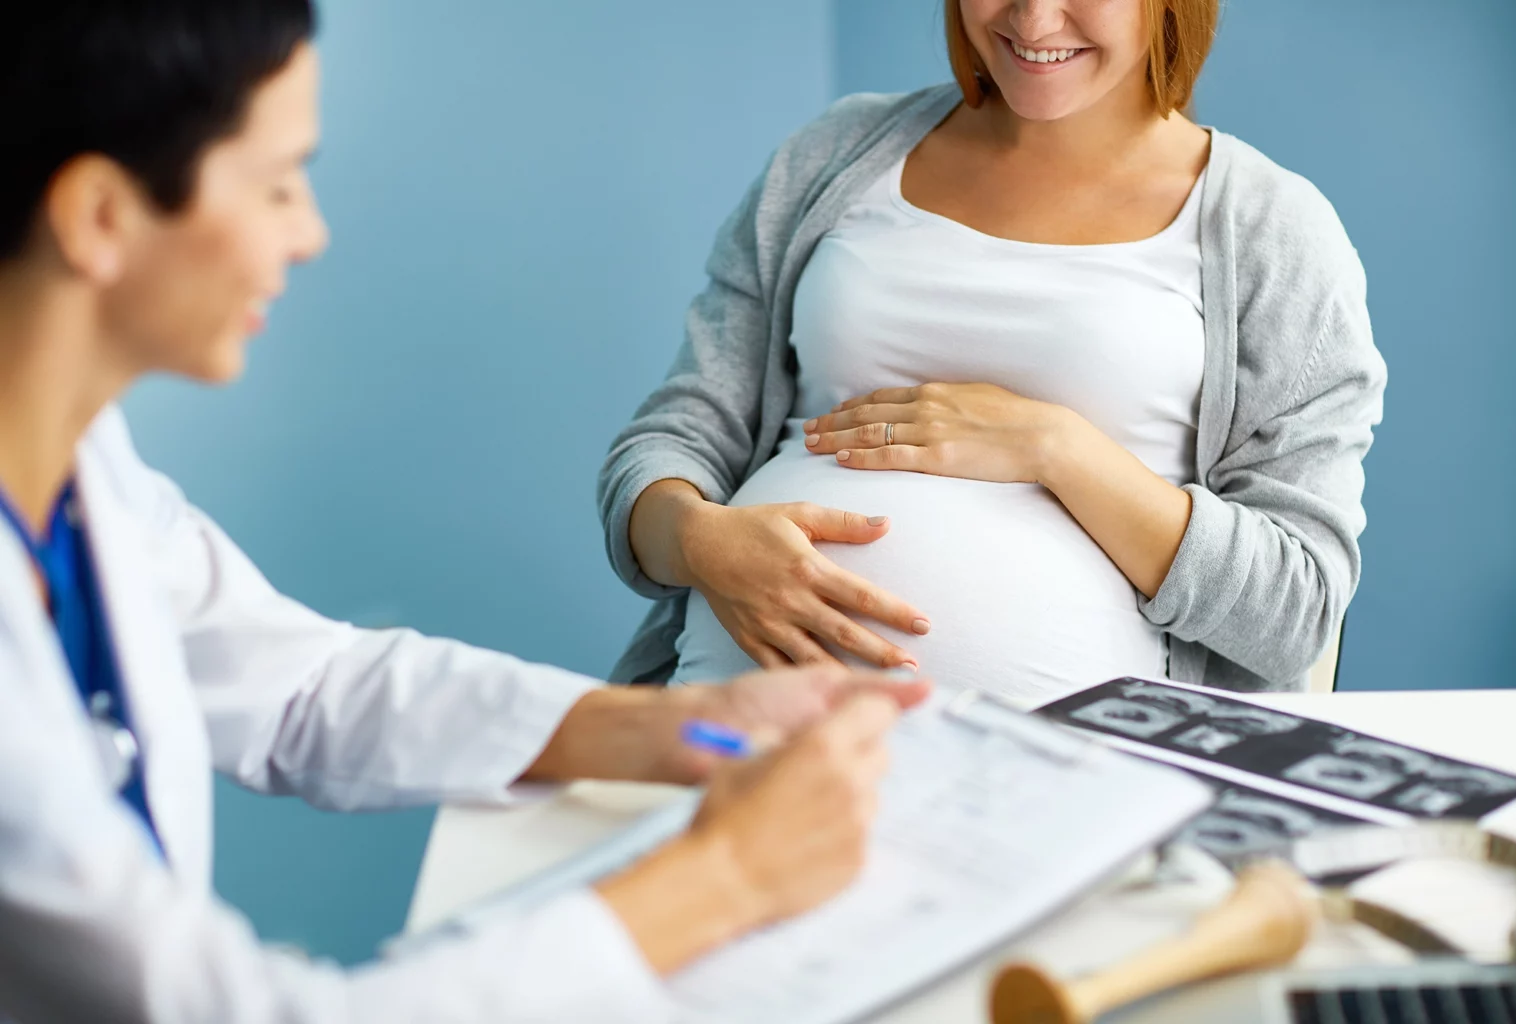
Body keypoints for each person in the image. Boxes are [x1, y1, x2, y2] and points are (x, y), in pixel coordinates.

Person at [0, 3, 931, 1020]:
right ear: (97, 216)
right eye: (275, 183)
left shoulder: (82, 475)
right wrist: (727, 878)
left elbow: (304, 687)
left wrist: (681, 727)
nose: (309, 232)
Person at [601, 0, 1388, 702]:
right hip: (723, 760)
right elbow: (677, 437)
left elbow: (1295, 612)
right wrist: (700, 539)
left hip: (1075, 802)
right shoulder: (834, 156)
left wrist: (1056, 449)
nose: (1035, 20)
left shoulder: (1274, 231)